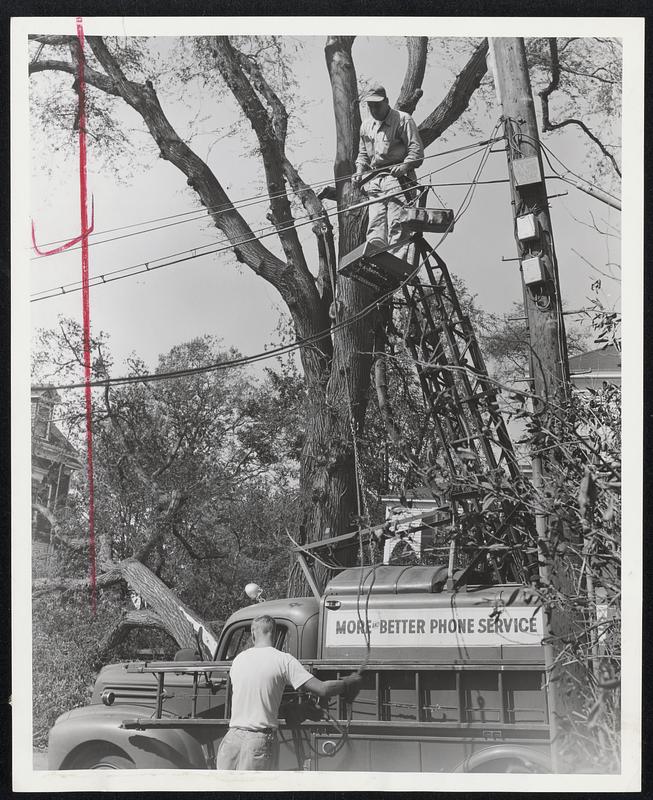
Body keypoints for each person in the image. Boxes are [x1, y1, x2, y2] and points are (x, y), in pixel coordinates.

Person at [216, 614, 362, 771]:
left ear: (253, 634)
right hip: (258, 742)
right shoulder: (283, 660)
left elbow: (252, 695)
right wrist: (348, 683)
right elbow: (322, 689)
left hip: (231, 740)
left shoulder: (238, 660)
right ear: (275, 633)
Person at [353, 84, 424, 259]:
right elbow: (363, 154)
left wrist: (405, 166)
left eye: (377, 105)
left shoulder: (402, 119)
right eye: (370, 106)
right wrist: (359, 171)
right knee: (375, 223)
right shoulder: (366, 126)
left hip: (398, 179)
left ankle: (397, 260)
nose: (374, 109)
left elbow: (417, 151)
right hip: (376, 180)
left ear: (386, 101)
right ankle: (376, 258)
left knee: (398, 221)